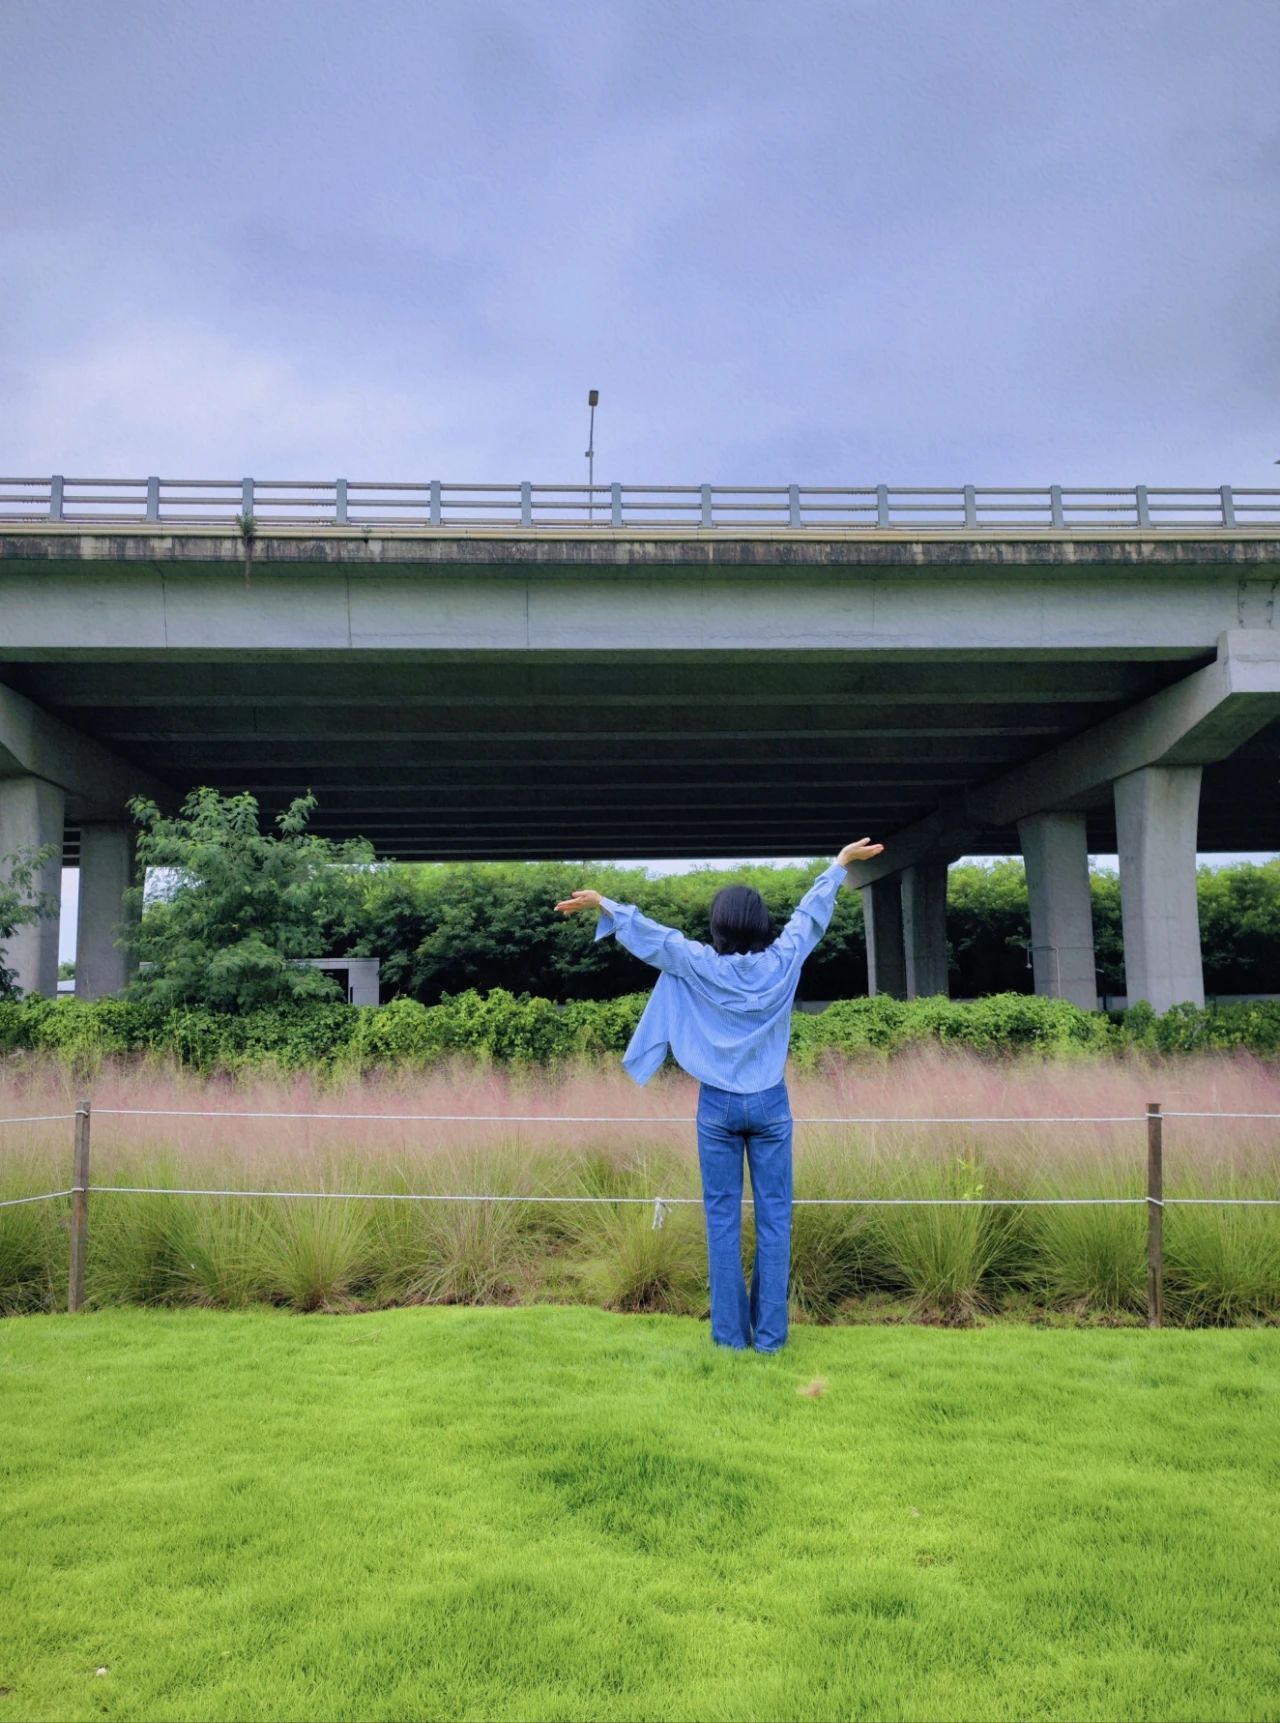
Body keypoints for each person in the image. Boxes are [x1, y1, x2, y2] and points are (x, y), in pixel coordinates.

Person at [553, 837, 885, 1354]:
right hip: (772, 1104)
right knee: (776, 1219)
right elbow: (809, 917)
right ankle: (771, 1341)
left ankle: (731, 1341)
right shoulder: (784, 961)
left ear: (719, 926)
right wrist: (838, 865)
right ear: (759, 925)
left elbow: (658, 939)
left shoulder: (701, 963)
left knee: (722, 1220)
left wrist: (606, 906)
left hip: (717, 1107)